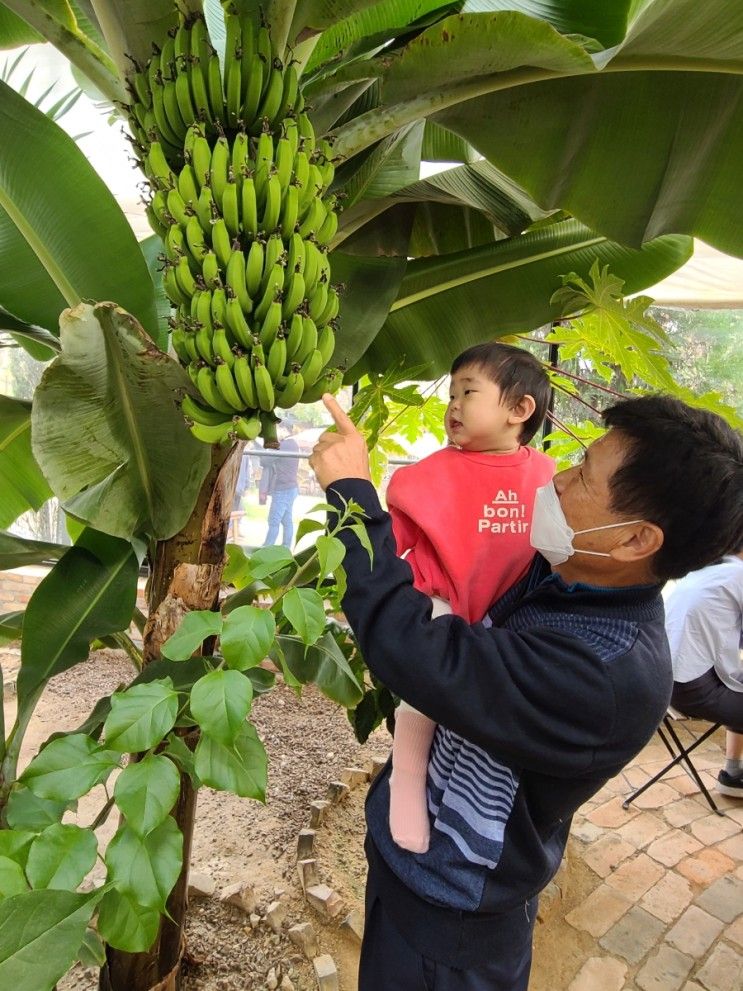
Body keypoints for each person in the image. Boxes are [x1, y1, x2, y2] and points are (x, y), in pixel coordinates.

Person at [309, 393, 743, 991]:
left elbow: (418, 653)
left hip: (450, 930)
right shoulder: (566, 576)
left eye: (584, 477)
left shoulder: (602, 673)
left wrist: (351, 498)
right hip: (413, 875)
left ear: (636, 541)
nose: (560, 481)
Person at [385, 343, 554, 853]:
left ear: (519, 410)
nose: (453, 404)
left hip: (512, 614)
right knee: (423, 691)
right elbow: (386, 546)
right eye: (451, 393)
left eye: (469, 393)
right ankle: (406, 778)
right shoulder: (426, 476)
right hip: (442, 603)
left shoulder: (547, 476)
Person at [664, 545, 743, 797]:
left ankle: (732, 775)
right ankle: (732, 774)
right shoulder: (738, 575)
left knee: (739, 681)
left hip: (664, 681)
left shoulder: (703, 570)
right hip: (691, 691)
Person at [259, 425, 300, 548]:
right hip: (291, 488)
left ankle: (266, 548)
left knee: (274, 520)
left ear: (285, 430)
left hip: (283, 489)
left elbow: (265, 460)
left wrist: (266, 448)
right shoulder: (292, 444)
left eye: (277, 430)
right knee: (286, 520)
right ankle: (286, 548)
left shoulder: (284, 445)